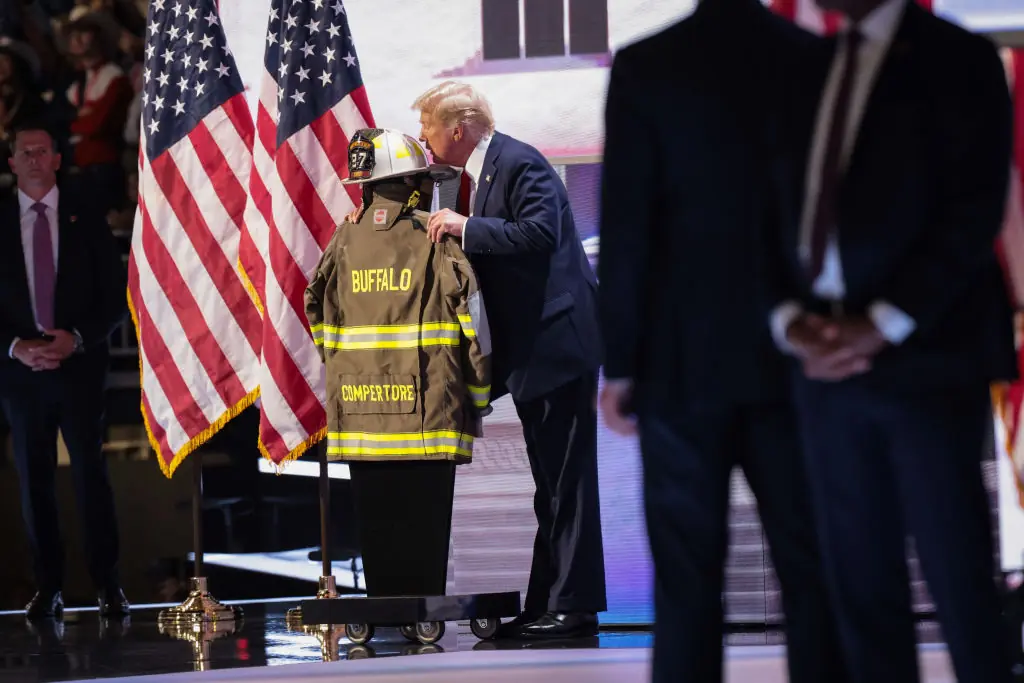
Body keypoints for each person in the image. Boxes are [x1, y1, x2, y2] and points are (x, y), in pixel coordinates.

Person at [764, 0, 1016, 681]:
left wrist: (881, 323)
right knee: (858, 589)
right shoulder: (804, 68)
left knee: (958, 577)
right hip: (820, 364)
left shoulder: (955, 57)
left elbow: (974, 209)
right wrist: (790, 319)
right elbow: (769, 208)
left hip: (926, 358)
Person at [598, 1, 847, 681]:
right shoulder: (811, 57)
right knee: (811, 569)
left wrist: (620, 363)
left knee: (686, 580)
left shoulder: (648, 65)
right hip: (796, 358)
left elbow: (626, 228)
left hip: (681, 365)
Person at [413, 80, 606, 639]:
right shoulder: (479, 174)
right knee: (549, 485)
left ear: (457, 128)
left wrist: (465, 227)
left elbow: (541, 233)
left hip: (558, 345)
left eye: (428, 129)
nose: (424, 142)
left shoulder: (520, 162)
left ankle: (575, 607)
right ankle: (549, 601)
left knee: (568, 482)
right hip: (533, 354)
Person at [0, 125, 128, 619]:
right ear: (11, 163)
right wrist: (16, 347)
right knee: (34, 481)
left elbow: (116, 299)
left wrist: (75, 338)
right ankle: (47, 587)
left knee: (90, 476)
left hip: (78, 368)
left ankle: (107, 585)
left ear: (57, 159)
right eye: (23, 152)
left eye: (41, 151)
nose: (33, 159)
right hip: (19, 374)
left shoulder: (87, 217)